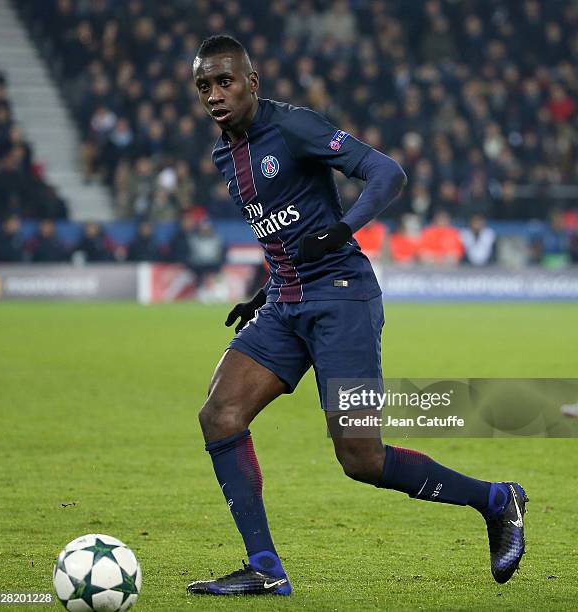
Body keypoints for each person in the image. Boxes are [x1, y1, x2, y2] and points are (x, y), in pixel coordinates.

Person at [187, 35, 527, 596]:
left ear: (253, 81)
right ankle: (266, 568)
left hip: (341, 296)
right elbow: (284, 228)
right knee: (219, 414)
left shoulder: (294, 127)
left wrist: (343, 231)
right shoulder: (226, 153)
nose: (215, 95)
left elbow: (387, 173)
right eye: (204, 85)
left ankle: (497, 500)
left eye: (225, 81)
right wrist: (264, 289)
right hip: (285, 303)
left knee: (361, 458)